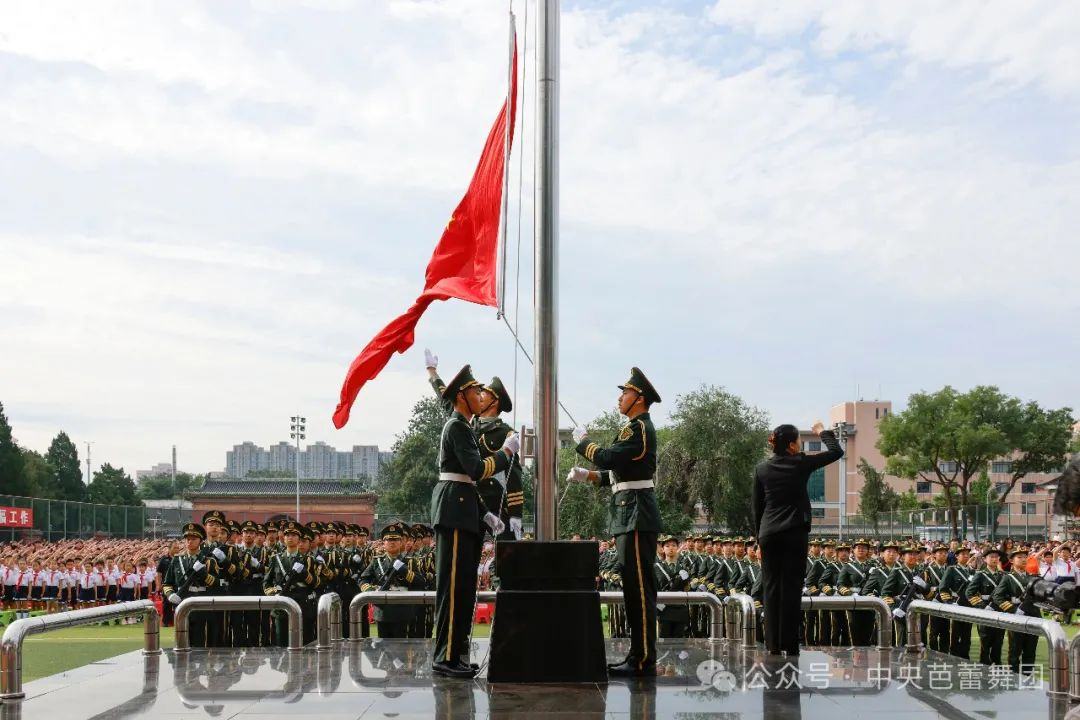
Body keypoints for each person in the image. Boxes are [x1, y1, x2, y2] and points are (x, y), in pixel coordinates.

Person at [567, 367, 662, 676]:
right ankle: (638, 654)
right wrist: (588, 476)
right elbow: (617, 473)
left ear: (639, 398)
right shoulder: (632, 429)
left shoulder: (639, 429)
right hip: (627, 512)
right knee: (632, 588)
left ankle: (643, 658)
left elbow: (608, 457)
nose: (620, 398)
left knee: (639, 589)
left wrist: (584, 442)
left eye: (626, 393)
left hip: (636, 514)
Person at [430, 364, 517, 678]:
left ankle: (455, 653)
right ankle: (445, 656)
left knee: (464, 587)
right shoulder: (457, 426)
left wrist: (485, 513)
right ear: (461, 396)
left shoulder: (463, 426)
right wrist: (506, 453)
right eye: (476, 392)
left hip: (463, 507)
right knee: (453, 587)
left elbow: (468, 482)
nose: (481, 396)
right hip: (454, 510)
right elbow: (477, 470)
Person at [752, 421, 843, 656]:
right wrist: (821, 432)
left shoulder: (762, 469)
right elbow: (836, 452)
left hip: (768, 533)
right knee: (791, 587)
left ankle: (773, 645)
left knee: (770, 587)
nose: (800, 445)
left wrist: (758, 539)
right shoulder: (801, 463)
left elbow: (757, 508)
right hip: (794, 532)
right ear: (792, 445)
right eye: (799, 441)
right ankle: (790, 644)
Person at [426, 350, 525, 541]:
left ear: (494, 401)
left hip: (495, 503)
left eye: (483, 393)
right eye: (477, 392)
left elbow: (514, 474)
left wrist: (515, 513)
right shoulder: (467, 423)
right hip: (470, 500)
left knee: (506, 552)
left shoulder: (506, 433)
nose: (479, 396)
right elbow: (449, 397)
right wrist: (432, 373)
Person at [359, 521, 427, 638]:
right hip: (382, 609)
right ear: (383, 543)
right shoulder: (377, 561)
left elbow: (421, 582)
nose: (392, 542)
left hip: (402, 609)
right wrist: (370, 591)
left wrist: (405, 571)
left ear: (401, 542)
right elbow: (363, 579)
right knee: (383, 644)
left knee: (401, 645)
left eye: (396, 539)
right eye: (389, 540)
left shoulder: (409, 562)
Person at [965, 547, 1005, 666]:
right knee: (985, 642)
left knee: (998, 641)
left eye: (996, 557)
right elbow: (969, 593)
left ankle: (997, 666)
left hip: (999, 611)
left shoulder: (1002, 575)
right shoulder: (980, 575)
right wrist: (982, 606)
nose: (994, 559)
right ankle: (984, 666)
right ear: (985, 559)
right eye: (991, 557)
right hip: (985, 612)